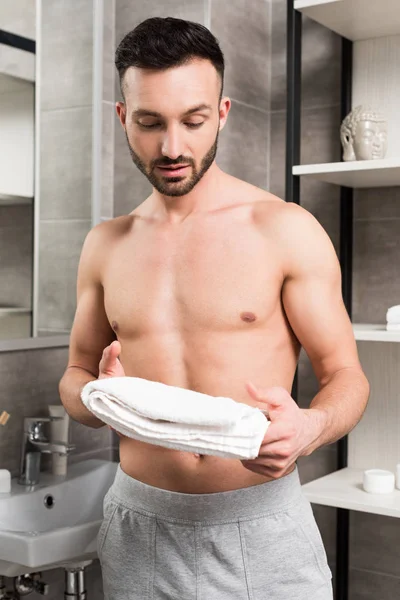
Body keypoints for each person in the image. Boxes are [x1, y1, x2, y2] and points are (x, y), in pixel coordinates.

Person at [59, 16, 370, 600]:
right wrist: (99, 398)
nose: (173, 147)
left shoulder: (285, 230)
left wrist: (310, 427)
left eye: (194, 121)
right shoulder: (106, 244)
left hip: (260, 526)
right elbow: (76, 379)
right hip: (138, 525)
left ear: (222, 112)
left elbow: (346, 376)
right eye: (150, 123)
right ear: (124, 118)